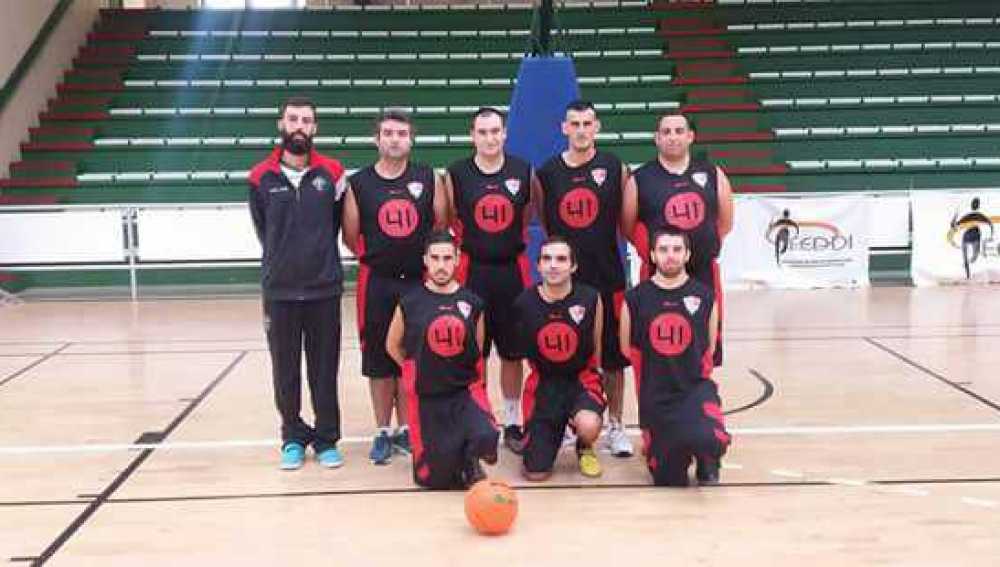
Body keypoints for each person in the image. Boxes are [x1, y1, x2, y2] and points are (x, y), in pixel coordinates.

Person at [342, 109, 447, 465]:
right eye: (388, 133)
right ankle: (382, 430)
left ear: (411, 139)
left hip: (419, 282)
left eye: (401, 133)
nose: (394, 139)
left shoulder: (428, 177)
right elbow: (350, 236)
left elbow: (441, 226)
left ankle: (407, 428)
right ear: (377, 139)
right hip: (377, 281)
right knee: (377, 358)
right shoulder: (359, 183)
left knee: (412, 353)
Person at [248, 96, 347, 470]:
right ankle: (291, 435)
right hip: (280, 291)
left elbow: (335, 224)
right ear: (281, 125)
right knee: (284, 368)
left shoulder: (333, 174)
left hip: (324, 288)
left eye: (307, 120)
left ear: (315, 128)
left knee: (325, 368)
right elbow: (263, 229)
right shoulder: (260, 177)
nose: (300, 126)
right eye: (293, 119)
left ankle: (326, 439)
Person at [535, 100, 633, 457]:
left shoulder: (614, 167)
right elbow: (548, 226)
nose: (580, 130)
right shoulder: (546, 173)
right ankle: (563, 421)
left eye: (587, 123)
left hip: (608, 275)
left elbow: (624, 221)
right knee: (564, 352)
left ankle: (617, 425)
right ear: (564, 128)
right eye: (574, 123)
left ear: (597, 128)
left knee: (613, 357)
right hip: (565, 282)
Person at [443, 107, 536, 453]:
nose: (490, 138)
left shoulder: (522, 170)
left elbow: (526, 215)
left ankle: (512, 421)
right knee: (473, 352)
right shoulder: (456, 174)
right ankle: (478, 417)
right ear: (472, 136)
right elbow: (449, 218)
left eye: (495, 131)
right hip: (473, 270)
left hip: (511, 269)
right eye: (482, 132)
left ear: (505, 134)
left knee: (513, 352)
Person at [386, 231, 500, 489]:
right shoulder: (410, 302)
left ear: (458, 260)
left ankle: (471, 459)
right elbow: (392, 345)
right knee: (431, 480)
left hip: (462, 392)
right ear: (425, 260)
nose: (441, 265)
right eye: (435, 258)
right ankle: (451, 454)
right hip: (428, 397)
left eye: (447, 258)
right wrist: (414, 367)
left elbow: (477, 349)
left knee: (487, 436)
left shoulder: (472, 303)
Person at [620, 228, 730, 486]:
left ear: (687, 254)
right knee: (668, 480)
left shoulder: (704, 296)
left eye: (677, 250)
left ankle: (708, 457)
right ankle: (675, 447)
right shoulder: (635, 298)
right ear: (652, 255)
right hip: (657, 396)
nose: (671, 256)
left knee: (708, 438)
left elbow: (710, 347)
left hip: (693, 389)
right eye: (664, 250)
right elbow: (628, 348)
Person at [623, 113, 734, 367]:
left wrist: (701, 246)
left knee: (704, 345)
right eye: (666, 131)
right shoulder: (640, 179)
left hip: (702, 273)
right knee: (656, 346)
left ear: (690, 137)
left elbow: (725, 222)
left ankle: (699, 401)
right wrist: (660, 255)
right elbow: (628, 225)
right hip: (657, 275)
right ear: (657, 138)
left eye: (678, 131)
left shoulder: (712, 173)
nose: (673, 137)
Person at [514, 236, 606, 480]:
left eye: (561, 259)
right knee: (535, 472)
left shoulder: (590, 298)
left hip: (580, 380)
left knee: (588, 424)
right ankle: (547, 432)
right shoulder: (524, 303)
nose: (553, 265)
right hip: (544, 385)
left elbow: (595, 346)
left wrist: (595, 382)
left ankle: (584, 444)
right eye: (547, 259)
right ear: (538, 265)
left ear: (573, 266)